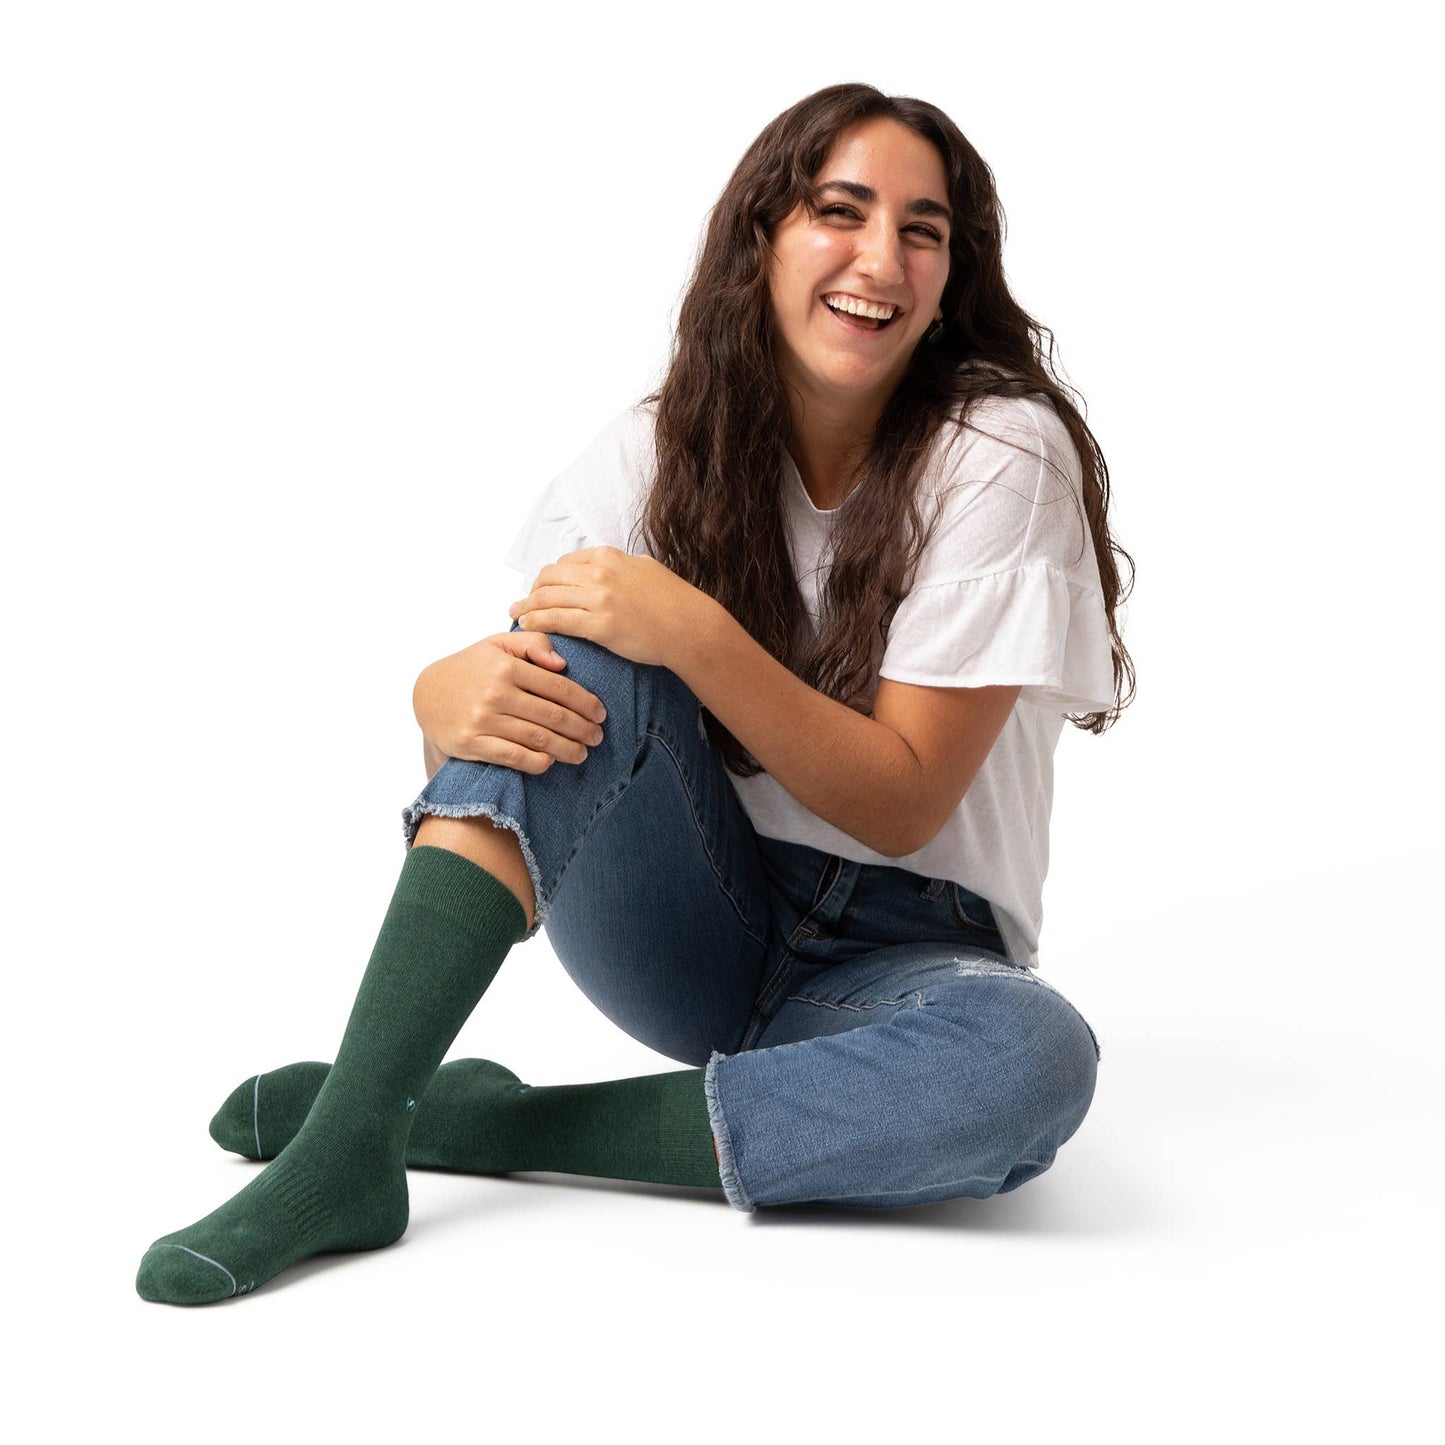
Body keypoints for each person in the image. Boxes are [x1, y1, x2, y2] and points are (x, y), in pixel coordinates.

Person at [136, 81, 1134, 1306]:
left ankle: (461, 1122)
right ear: (760, 235)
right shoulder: (660, 443)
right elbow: (530, 697)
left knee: (1026, 1064)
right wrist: (431, 690)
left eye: (922, 230)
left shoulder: (996, 447)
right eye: (839, 209)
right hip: (695, 924)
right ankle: (348, 1144)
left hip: (909, 959)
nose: (880, 257)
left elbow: (902, 800)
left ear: (948, 275)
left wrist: (699, 636)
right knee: (577, 661)